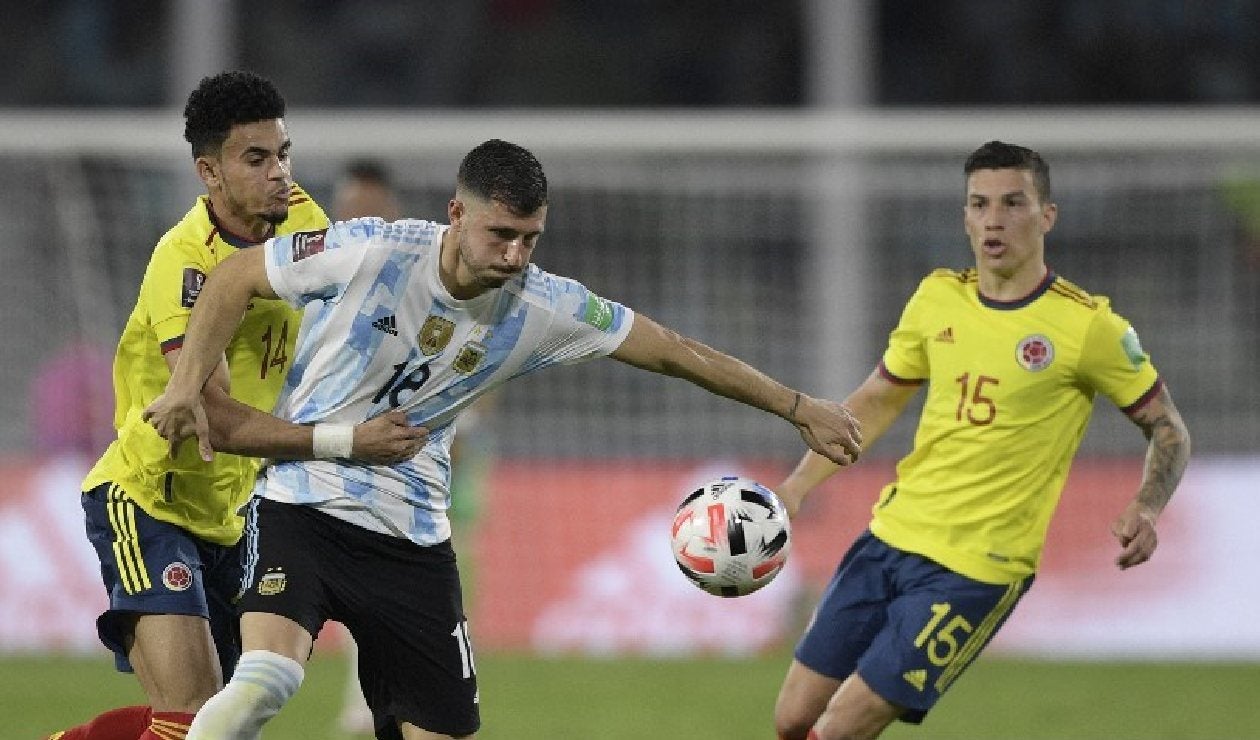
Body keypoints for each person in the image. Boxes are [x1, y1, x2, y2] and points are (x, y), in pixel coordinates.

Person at [141, 138, 864, 739]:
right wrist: (185, 388)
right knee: (267, 678)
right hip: (304, 501)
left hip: (412, 541)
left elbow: (674, 351)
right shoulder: (372, 251)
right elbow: (236, 275)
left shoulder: (544, 306)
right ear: (456, 215)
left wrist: (797, 406)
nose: (516, 255)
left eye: (530, 239)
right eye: (501, 234)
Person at [771, 140, 1192, 740]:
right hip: (891, 537)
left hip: (976, 569)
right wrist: (797, 486)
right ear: (965, 216)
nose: (995, 219)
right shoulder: (936, 297)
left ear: (1047, 216)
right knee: (793, 720)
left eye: (1013, 203)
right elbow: (876, 399)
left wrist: (1147, 505)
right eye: (980, 204)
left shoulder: (1088, 328)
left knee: (840, 728)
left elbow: (1168, 426)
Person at [48, 71, 425, 740]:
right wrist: (347, 441)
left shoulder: (305, 220)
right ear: (209, 172)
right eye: (255, 159)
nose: (279, 173)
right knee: (195, 709)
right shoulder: (183, 262)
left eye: (283, 153)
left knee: (216, 723)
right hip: (149, 499)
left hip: (233, 515)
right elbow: (215, 420)